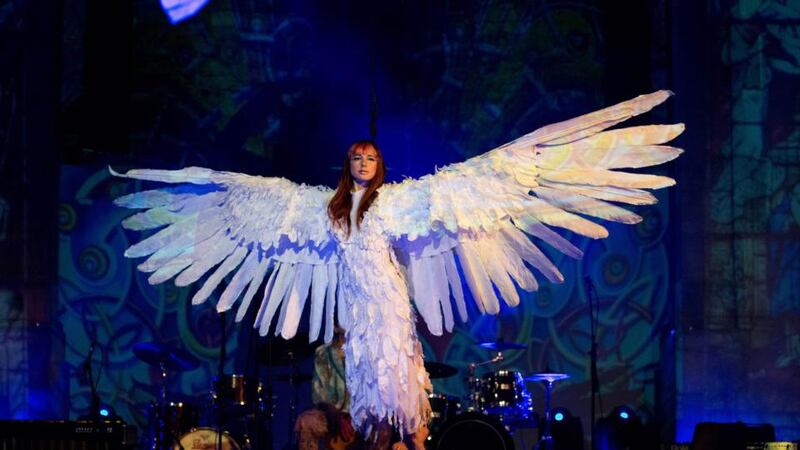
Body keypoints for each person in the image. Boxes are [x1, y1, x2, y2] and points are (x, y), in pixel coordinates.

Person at [112, 91, 683, 441]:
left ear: (380, 165)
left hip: (385, 299)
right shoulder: (319, 210)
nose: (363, 161)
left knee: (398, 382)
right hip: (352, 307)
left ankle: (411, 438)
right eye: (356, 156)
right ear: (347, 164)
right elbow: (242, 208)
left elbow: (497, 179)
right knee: (364, 391)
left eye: (372, 156)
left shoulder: (402, 202)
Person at [295, 326, 428, 450]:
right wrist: (339, 417)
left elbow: (379, 394)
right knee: (307, 421)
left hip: (364, 418)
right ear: (335, 327)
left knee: (382, 425)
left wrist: (357, 417)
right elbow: (319, 397)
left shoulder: (370, 351)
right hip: (333, 417)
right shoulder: (324, 353)